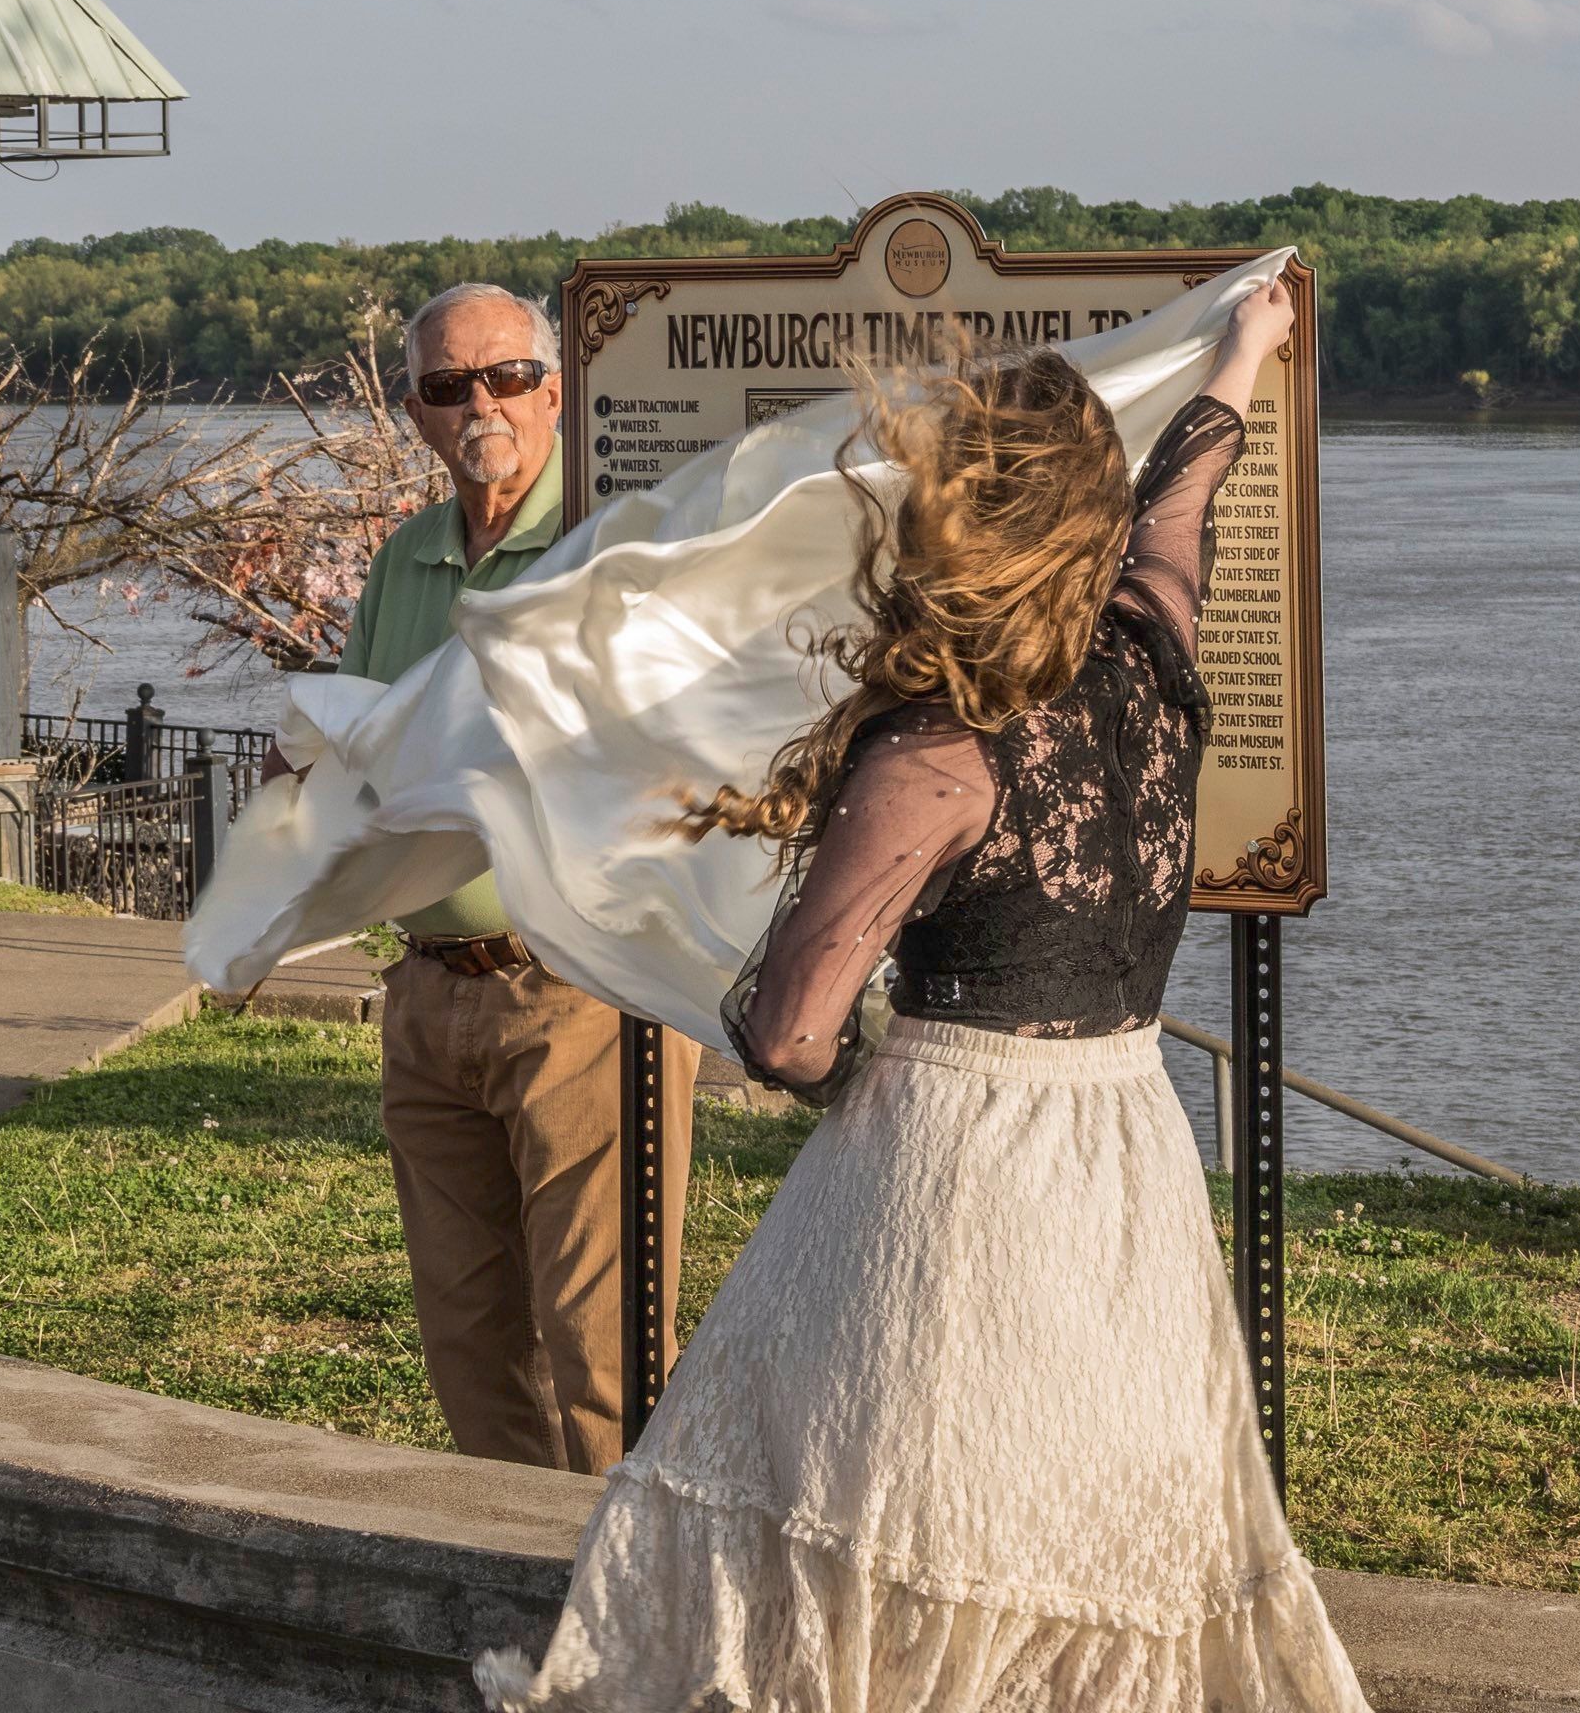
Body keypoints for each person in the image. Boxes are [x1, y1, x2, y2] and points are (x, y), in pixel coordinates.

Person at [477, 279, 1370, 1710]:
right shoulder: (1153, 663)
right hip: (1127, 1147)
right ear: (1082, 528)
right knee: (1087, 1532)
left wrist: (826, 1061)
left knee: (906, 1529)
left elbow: (785, 1030)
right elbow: (1178, 514)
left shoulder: (936, 751)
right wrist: (1241, 357)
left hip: (952, 1174)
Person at [269, 282, 699, 1474]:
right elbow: (364, 755)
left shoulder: (616, 539)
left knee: (603, 1351)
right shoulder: (405, 557)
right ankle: (510, 1594)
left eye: (507, 375)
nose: (482, 405)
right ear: (415, 410)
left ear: (556, 387)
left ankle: (619, 1622)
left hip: (581, 989)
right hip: (427, 996)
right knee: (468, 1343)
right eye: (450, 384)